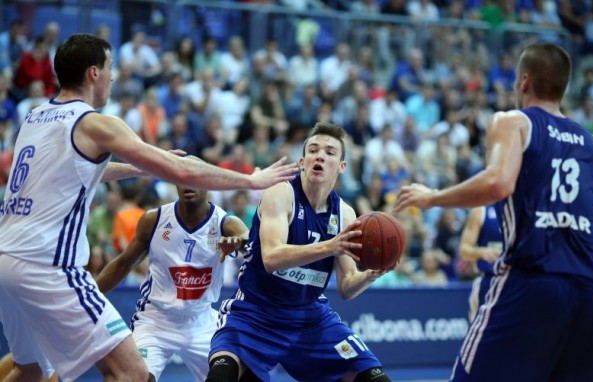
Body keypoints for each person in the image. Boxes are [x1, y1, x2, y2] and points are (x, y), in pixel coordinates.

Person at [0, 33, 296, 382]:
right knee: (132, 374)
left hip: (7, 259)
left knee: (28, 368)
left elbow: (80, 170)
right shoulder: (95, 122)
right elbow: (185, 171)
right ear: (94, 73)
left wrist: (145, 165)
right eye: (111, 69)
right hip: (48, 264)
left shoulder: (36, 117)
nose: (114, 77)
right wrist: (250, 181)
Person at [394, 43, 593, 381]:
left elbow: (498, 183)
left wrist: (433, 197)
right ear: (564, 87)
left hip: (534, 281)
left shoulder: (514, 122)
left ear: (524, 82)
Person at [206, 122, 392, 382]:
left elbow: (347, 287)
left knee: (375, 378)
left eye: (329, 152)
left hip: (309, 318)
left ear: (341, 167)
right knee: (221, 375)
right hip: (256, 313)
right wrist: (330, 245)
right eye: (314, 150)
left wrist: (371, 274)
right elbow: (271, 258)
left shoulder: (345, 213)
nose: (320, 156)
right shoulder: (281, 192)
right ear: (302, 162)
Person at [96, 166, 249, 382]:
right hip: (157, 319)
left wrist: (242, 243)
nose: (188, 184)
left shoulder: (226, 223)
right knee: (132, 377)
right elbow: (123, 264)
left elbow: (250, 245)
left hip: (202, 320)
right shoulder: (153, 219)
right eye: (182, 178)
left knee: (238, 376)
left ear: (207, 183)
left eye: (195, 178)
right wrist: (88, 296)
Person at [458, 205, 502, 321]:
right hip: (489, 280)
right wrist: (480, 252)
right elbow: (464, 249)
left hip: (518, 280)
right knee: (482, 334)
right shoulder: (481, 210)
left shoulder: (524, 206)